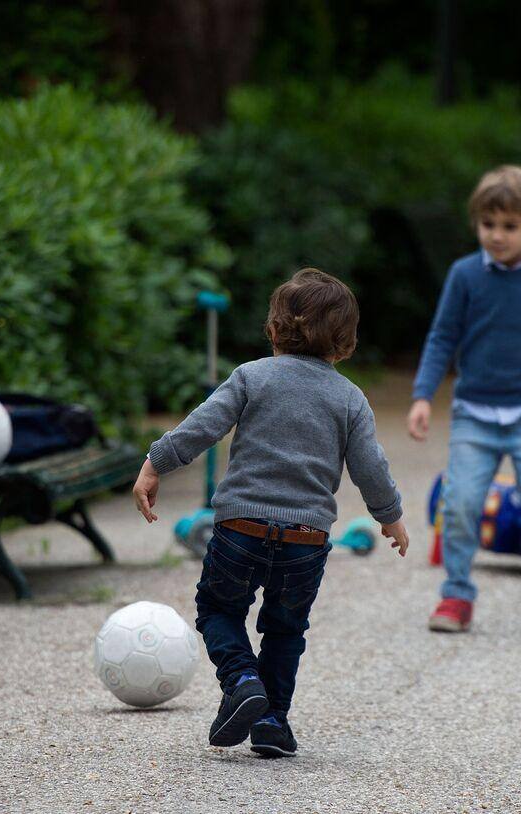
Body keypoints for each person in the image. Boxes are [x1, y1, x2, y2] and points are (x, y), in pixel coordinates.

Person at [132, 268, 409, 758]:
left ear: (274, 330)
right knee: (285, 628)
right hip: (306, 537)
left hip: (241, 527)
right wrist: (390, 515)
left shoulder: (251, 377)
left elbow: (203, 427)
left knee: (218, 608)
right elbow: (371, 466)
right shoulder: (350, 398)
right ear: (345, 345)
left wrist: (156, 462)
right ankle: (273, 722)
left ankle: (242, 681)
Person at [407, 165, 521, 638]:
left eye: (509, 226)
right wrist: (422, 397)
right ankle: (456, 594)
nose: (497, 235)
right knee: (461, 504)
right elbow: (442, 337)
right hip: (474, 415)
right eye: (488, 225)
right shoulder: (465, 275)